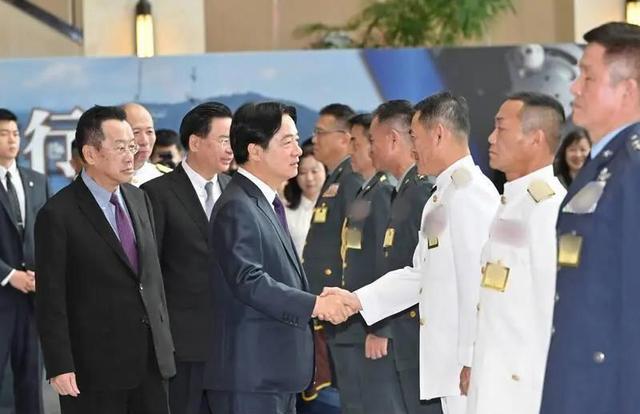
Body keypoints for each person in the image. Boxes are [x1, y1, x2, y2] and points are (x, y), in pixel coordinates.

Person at [324, 92, 500, 414]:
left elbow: (478, 285)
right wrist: (357, 300)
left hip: (463, 365)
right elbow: (419, 273)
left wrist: (471, 358)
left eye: (415, 138)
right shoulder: (440, 196)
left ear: (438, 135)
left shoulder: (469, 195)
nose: (412, 148)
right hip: (447, 363)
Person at [202, 102, 356, 414]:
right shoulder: (238, 206)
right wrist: (315, 305)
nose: (298, 151)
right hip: (251, 377)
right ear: (255, 150)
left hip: (273, 375)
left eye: (297, 141)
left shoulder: (263, 202)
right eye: (287, 142)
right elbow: (249, 280)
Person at [34, 105, 176, 414]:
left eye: (132, 146)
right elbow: (51, 298)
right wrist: (60, 364)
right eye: (120, 147)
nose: (131, 155)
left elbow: (150, 279)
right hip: (93, 369)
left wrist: (166, 345)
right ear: (91, 153)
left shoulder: (140, 198)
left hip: (151, 362)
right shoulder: (57, 214)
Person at [541, 22, 640, 414]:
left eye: (587, 76)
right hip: (579, 377)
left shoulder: (632, 167)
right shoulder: (604, 164)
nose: (573, 87)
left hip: (612, 388)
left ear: (627, 90)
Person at [463, 93, 566, 414]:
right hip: (492, 380)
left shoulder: (548, 208)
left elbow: (552, 310)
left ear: (535, 139)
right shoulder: (513, 202)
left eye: (501, 128)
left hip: (521, 389)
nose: (491, 138)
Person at [141, 102, 233, 414]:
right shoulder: (156, 193)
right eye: (223, 139)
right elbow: (149, 272)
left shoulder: (237, 190)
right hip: (182, 345)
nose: (231, 148)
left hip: (234, 342)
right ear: (195, 142)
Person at [367, 100, 440, 414]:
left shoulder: (421, 192)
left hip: (416, 336)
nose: (370, 149)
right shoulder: (405, 191)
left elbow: (423, 269)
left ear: (393, 139)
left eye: (373, 140)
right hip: (405, 335)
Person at [326, 113, 400, 414]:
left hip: (368, 324)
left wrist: (380, 327)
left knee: (375, 405)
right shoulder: (365, 192)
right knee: (353, 404)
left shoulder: (383, 193)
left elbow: (386, 262)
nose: (351, 150)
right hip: (352, 323)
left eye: (356, 143)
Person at [0, 108, 49, 414]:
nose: (12, 140)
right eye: (3, 134)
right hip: (3, 293)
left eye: (15, 134)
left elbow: (48, 234)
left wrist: (43, 273)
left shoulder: (37, 181)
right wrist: (8, 275)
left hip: (33, 298)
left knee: (31, 382)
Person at [304, 104, 363, 295]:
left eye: (320, 133)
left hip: (337, 289)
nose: (314, 139)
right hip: (322, 289)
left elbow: (355, 240)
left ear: (344, 138)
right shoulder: (335, 178)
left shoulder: (352, 179)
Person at [284, 141, 326, 257]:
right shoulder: (285, 211)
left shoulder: (337, 206)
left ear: (325, 170)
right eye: (302, 172)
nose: (309, 178)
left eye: (314, 171)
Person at [123, 103, 172, 186]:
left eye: (149, 132)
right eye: (136, 132)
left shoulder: (169, 179)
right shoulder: (101, 178)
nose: (145, 141)